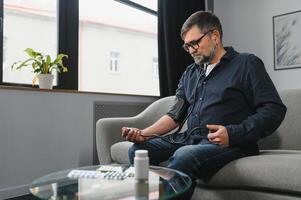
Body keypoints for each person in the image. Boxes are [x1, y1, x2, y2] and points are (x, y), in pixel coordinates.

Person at [121, 11, 287, 199]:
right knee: (138, 151)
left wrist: (233, 133)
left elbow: (274, 109)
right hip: (190, 139)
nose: (191, 50)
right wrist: (144, 134)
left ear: (215, 36)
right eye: (186, 46)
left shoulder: (247, 63)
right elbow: (175, 115)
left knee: (185, 156)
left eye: (194, 43)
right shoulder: (190, 73)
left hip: (229, 143)